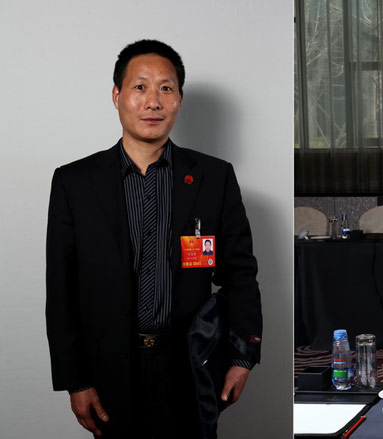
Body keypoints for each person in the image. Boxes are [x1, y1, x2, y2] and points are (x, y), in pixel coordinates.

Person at [46, 39, 262, 438]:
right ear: (117, 95)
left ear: (179, 99)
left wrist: (243, 357)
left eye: (166, 88)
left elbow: (240, 275)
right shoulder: (74, 183)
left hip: (192, 365)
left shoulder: (214, 178)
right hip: (109, 368)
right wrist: (75, 380)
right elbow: (61, 291)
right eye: (140, 86)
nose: (153, 101)